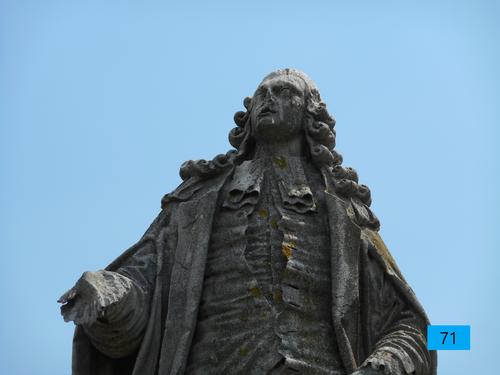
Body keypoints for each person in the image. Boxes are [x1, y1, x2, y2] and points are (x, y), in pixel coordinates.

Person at [59, 69, 436, 375]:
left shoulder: (343, 215)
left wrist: (384, 366)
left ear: (310, 113)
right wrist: (108, 291)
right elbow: (145, 284)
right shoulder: (195, 204)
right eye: (262, 94)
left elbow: (417, 326)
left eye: (284, 91)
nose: (268, 99)